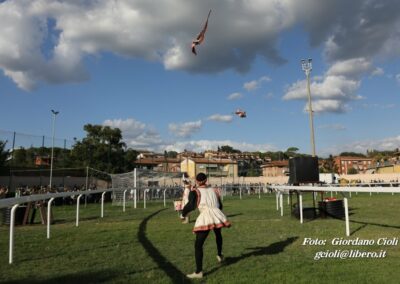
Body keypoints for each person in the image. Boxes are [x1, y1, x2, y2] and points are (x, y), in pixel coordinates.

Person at [181, 172, 231, 279]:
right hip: (217, 213)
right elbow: (220, 205)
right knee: (218, 234)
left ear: (197, 181)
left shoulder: (195, 191)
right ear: (206, 180)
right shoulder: (215, 190)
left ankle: (199, 272)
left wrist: (183, 214)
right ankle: (219, 254)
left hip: (206, 215)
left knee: (198, 245)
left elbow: (191, 206)